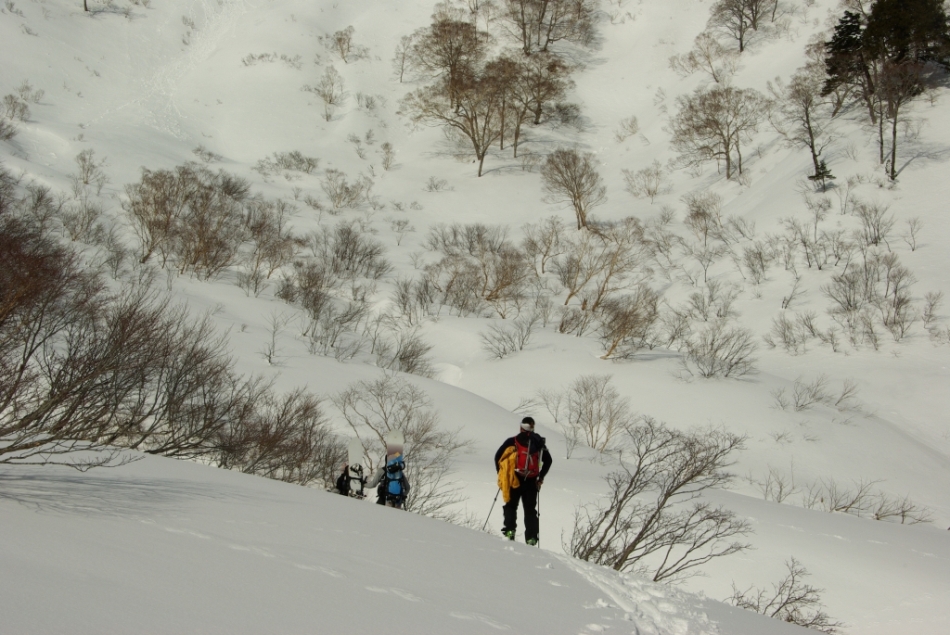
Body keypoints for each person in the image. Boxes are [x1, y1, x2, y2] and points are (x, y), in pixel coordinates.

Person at [494, 416, 552, 546]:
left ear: (521, 427)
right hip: (532, 480)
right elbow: (548, 460)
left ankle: (509, 531)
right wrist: (540, 477)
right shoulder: (539, 442)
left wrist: (502, 473)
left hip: (515, 478)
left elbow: (498, 456)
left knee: (511, 505)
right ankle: (531, 538)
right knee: (530, 510)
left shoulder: (512, 441)